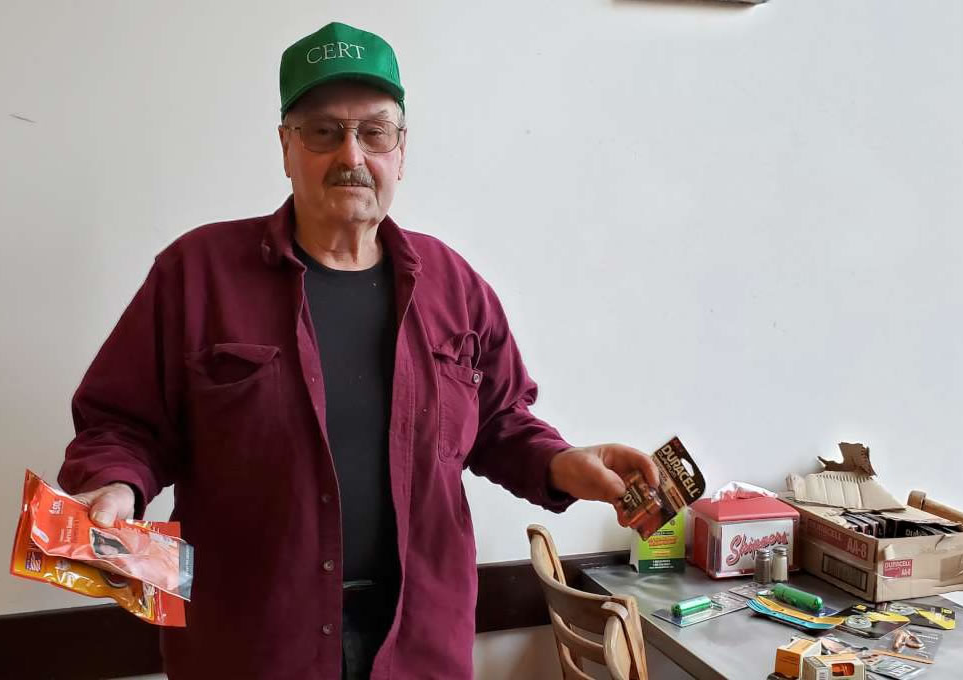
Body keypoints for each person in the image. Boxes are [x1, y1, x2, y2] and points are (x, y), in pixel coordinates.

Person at [59, 21, 660, 680]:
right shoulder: (196, 274)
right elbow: (123, 423)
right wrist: (114, 486)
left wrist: (565, 464)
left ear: (400, 151)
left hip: (417, 641)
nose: (351, 154)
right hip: (253, 644)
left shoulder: (454, 286)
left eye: (374, 132)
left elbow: (499, 423)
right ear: (286, 147)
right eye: (323, 131)